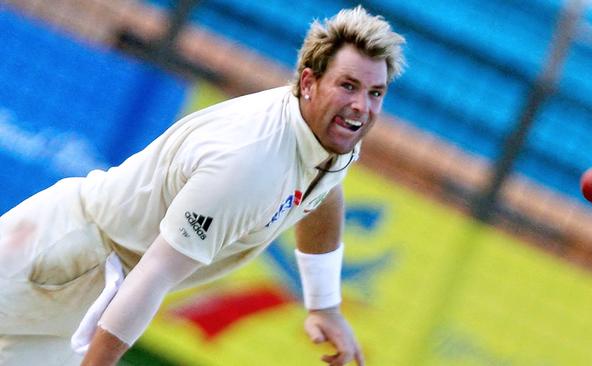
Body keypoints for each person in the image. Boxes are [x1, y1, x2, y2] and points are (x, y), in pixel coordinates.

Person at [0, 5, 405, 366]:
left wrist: (324, 305)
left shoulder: (331, 136)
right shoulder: (251, 163)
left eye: (375, 93)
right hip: (54, 259)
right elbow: (154, 274)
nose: (361, 107)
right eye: (348, 86)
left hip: (87, 285)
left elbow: (325, 192)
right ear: (308, 82)